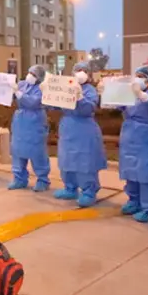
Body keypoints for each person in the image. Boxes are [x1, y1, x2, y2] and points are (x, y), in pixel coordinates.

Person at [51, 62, 107, 207]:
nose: (80, 73)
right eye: (78, 70)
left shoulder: (90, 90)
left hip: (84, 129)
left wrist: (80, 97)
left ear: (88, 74)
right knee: (67, 160)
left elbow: (88, 109)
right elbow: (54, 104)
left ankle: (89, 191)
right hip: (68, 127)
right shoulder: (67, 86)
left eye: (83, 70)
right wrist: (47, 93)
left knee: (85, 162)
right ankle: (70, 188)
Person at [118, 66, 148, 222]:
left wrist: (142, 95)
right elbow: (122, 106)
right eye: (136, 76)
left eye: (141, 76)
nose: (137, 79)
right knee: (132, 170)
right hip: (130, 134)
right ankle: (134, 200)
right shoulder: (132, 92)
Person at [9, 64, 51, 191]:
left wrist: (19, 94)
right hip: (20, 120)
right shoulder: (22, 84)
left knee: (37, 151)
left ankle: (43, 179)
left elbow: (34, 102)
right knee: (17, 150)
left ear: (39, 77)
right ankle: (19, 178)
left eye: (34, 74)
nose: (30, 76)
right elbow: (13, 97)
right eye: (30, 73)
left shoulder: (41, 88)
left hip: (35, 120)